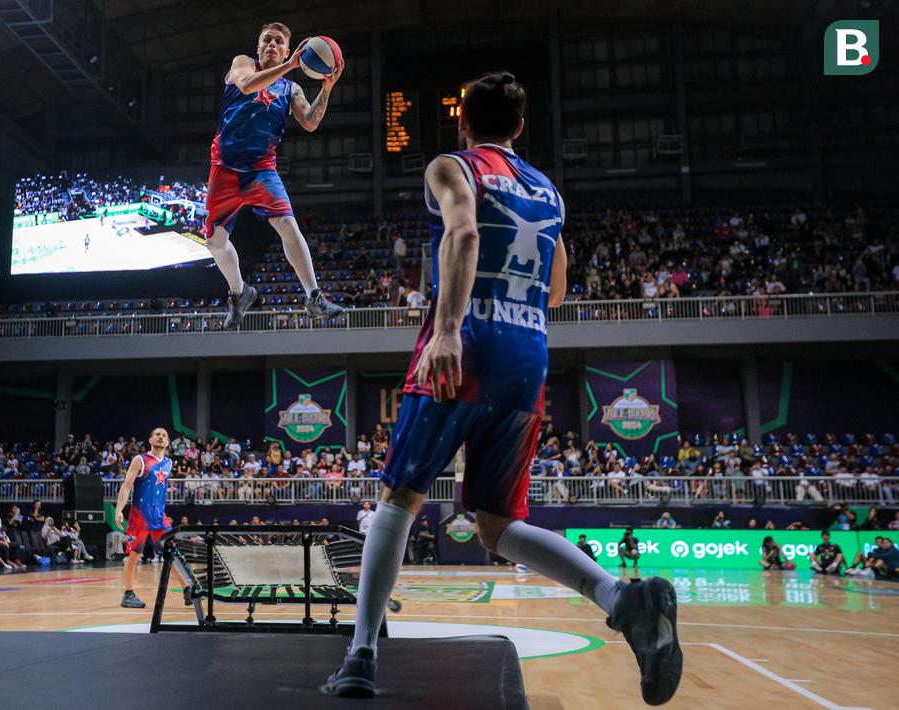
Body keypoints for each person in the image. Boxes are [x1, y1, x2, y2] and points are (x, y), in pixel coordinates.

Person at [324, 71, 680, 705]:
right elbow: (558, 290)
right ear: (519, 127)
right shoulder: (547, 190)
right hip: (527, 355)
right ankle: (621, 598)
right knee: (497, 524)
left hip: (469, 344)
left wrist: (448, 330)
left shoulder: (453, 166)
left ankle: (361, 656)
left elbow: (463, 233)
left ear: (463, 122)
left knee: (399, 496)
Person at [204, 22, 346, 328]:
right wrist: (291, 65)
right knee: (215, 243)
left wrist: (326, 89)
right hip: (225, 169)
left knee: (287, 225)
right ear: (258, 47)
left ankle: (314, 297)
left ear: (287, 50)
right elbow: (246, 86)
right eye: (266, 40)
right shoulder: (243, 64)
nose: (272, 45)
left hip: (261, 169)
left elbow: (310, 122)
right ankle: (240, 292)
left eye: (279, 41)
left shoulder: (291, 89)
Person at [113, 427, 189, 609]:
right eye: (157, 434)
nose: (161, 437)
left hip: (159, 518)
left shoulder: (169, 463)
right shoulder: (140, 460)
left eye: (164, 435)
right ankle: (128, 594)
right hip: (139, 517)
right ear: (150, 439)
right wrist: (119, 509)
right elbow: (126, 486)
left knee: (172, 553)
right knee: (134, 555)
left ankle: (187, 589)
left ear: (168, 442)